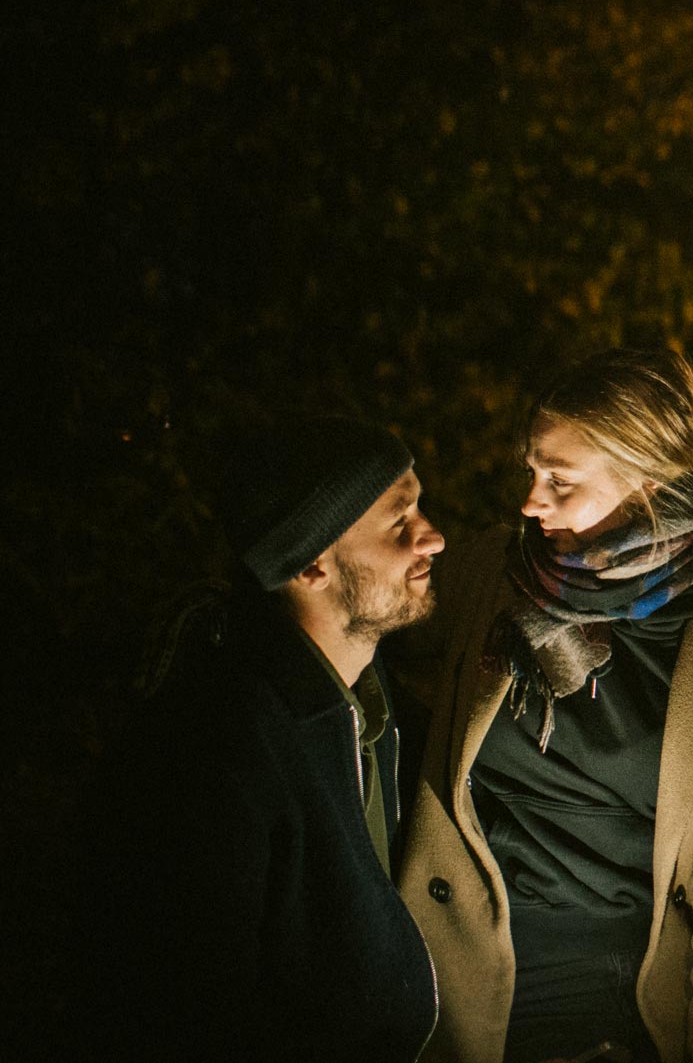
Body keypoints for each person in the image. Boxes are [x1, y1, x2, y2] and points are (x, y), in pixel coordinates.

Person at [399, 347, 693, 1063]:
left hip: (607, 983)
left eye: (560, 480)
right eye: (532, 472)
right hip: (447, 955)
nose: (531, 501)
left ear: (642, 483)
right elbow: (363, 620)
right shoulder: (495, 574)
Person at [79, 414, 447, 1063]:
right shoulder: (224, 758)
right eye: (400, 523)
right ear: (311, 566)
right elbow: (184, 1016)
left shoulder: (366, 702)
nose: (434, 538)